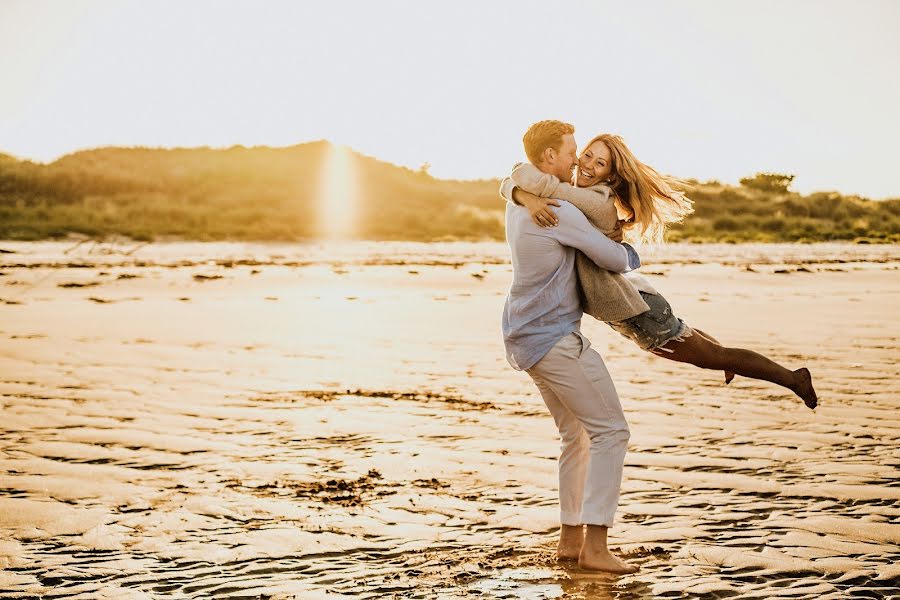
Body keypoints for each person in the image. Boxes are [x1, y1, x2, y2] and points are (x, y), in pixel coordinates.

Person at [500, 133, 818, 410]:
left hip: (639, 314)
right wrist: (520, 192)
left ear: (611, 176)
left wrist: (522, 190)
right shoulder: (578, 190)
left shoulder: (595, 200)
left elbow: (527, 177)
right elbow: (517, 178)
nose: (587, 165)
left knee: (715, 356)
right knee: (711, 350)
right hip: (636, 297)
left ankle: (793, 379)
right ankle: (724, 353)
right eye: (587, 155)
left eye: (600, 164)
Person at [502, 120, 641, 574]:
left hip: (525, 334)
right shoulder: (560, 210)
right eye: (571, 152)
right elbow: (613, 258)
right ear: (548, 160)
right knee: (611, 431)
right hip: (554, 338)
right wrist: (632, 254)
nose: (577, 160)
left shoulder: (525, 202)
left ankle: (569, 541)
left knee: (576, 435)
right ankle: (596, 548)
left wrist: (518, 190)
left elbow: (510, 182)